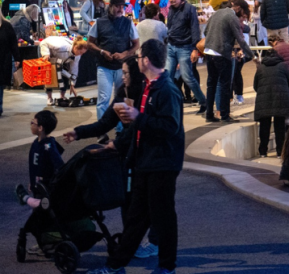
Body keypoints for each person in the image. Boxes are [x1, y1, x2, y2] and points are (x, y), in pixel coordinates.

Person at [88, 39, 185, 274]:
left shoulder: (166, 90)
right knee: (136, 219)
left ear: (146, 61)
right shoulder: (151, 86)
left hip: (162, 163)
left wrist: (137, 117)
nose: (137, 59)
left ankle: (166, 267)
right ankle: (115, 265)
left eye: (140, 56)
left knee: (163, 219)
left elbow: (170, 127)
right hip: (146, 162)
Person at [63, 56, 158, 259]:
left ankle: (152, 244)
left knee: (150, 201)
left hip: (149, 156)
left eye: (125, 73)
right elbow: (105, 123)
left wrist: (117, 143)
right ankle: (134, 244)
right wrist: (78, 132)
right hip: (129, 155)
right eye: (122, 73)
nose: (122, 77)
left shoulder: (147, 94)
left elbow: (138, 130)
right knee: (129, 199)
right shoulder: (124, 93)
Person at [15, 110, 64, 257]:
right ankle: (45, 242)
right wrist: (32, 181)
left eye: (33, 123)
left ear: (40, 128)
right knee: (40, 216)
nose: (30, 125)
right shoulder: (37, 143)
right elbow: (34, 166)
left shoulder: (48, 145)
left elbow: (59, 165)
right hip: (38, 186)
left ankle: (45, 243)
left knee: (42, 217)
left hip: (46, 189)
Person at [196, 0, 253, 122]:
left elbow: (206, 31)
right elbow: (241, 40)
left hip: (209, 52)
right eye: (243, 16)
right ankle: (225, 115)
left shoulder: (217, 13)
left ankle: (209, 114)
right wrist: (252, 55)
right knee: (224, 85)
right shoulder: (232, 17)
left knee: (211, 84)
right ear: (240, 9)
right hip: (222, 53)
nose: (242, 20)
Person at [88, 0, 141, 119]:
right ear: (110, 6)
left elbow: (136, 44)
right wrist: (102, 51)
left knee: (121, 98)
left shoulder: (128, 22)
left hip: (122, 68)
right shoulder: (99, 22)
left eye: (122, 7)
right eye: (117, 6)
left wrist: (124, 54)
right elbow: (89, 43)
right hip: (104, 66)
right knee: (103, 99)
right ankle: (101, 131)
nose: (120, 9)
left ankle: (120, 130)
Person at [166, 0, 206, 115]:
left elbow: (195, 29)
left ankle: (203, 102)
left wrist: (195, 49)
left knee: (187, 77)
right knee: (167, 77)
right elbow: (170, 27)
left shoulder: (189, 9)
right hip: (171, 46)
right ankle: (169, 105)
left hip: (185, 47)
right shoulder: (171, 9)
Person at [254, 48, 289, 158]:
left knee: (264, 126)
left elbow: (255, 86)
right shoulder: (283, 66)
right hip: (281, 98)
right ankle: (279, 151)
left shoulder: (260, 68)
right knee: (279, 127)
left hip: (264, 100)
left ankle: (263, 151)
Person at [0, 16, 17, 116]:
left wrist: (17, 57)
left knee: (0, 83)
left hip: (3, 60)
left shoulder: (6, 26)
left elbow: (13, 43)